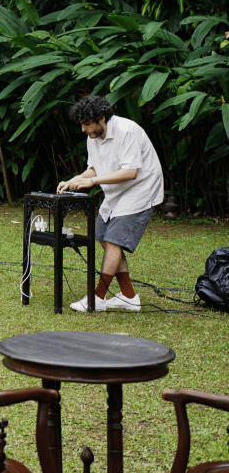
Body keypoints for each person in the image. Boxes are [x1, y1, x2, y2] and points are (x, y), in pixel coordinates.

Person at [58, 95, 164, 312]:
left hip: (141, 189)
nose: (83, 129)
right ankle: (129, 297)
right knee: (104, 239)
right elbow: (94, 168)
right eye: (81, 124)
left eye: (87, 124)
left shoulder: (127, 131)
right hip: (117, 192)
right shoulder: (93, 137)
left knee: (114, 242)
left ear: (102, 118)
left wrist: (92, 181)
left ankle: (97, 298)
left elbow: (130, 172)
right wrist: (75, 180)